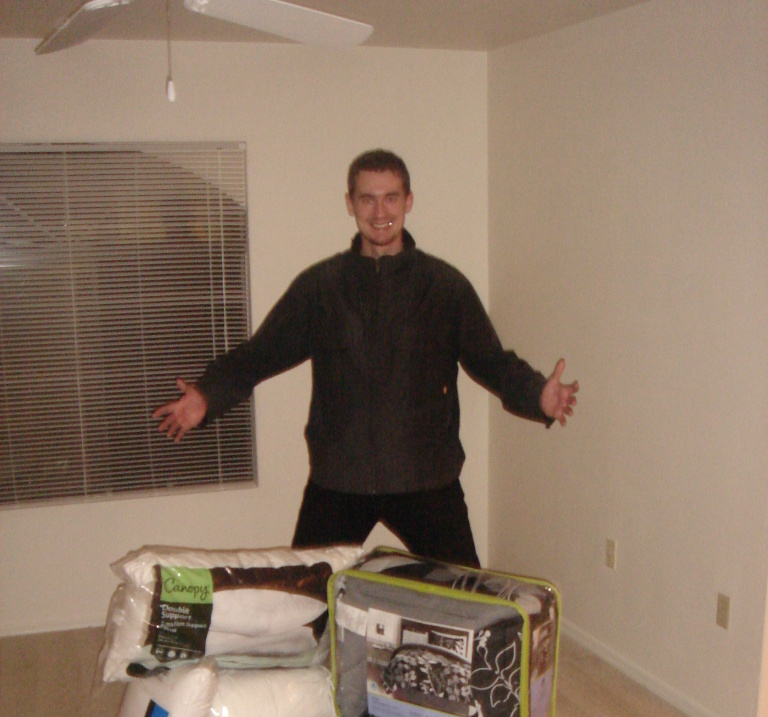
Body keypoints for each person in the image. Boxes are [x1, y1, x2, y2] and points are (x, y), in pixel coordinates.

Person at [153, 149, 578, 568]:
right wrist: (207, 396)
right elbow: (258, 356)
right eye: (367, 199)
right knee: (304, 598)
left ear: (408, 201)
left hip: (426, 478)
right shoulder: (321, 288)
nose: (380, 212)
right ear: (350, 204)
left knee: (464, 598)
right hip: (341, 479)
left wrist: (537, 395)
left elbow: (492, 362)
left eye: (391, 197)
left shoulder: (444, 288)